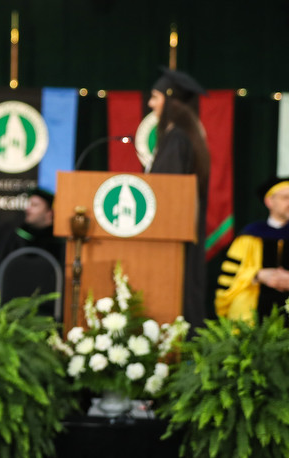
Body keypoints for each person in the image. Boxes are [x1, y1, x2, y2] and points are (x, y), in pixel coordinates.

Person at [146, 67, 210, 331]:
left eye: (155, 97)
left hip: (172, 238)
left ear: (171, 100)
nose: (150, 104)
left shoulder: (178, 138)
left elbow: (166, 192)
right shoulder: (186, 135)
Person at [215, 177, 289, 321]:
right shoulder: (250, 236)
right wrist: (258, 275)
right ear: (269, 201)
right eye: (285, 198)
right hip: (252, 314)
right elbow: (230, 277)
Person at [0, 187, 63, 308]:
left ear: (49, 212)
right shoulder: (16, 237)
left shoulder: (61, 242)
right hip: (12, 307)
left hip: (48, 309)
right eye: (29, 204)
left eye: (35, 205)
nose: (27, 209)